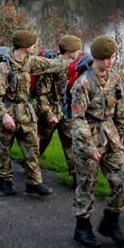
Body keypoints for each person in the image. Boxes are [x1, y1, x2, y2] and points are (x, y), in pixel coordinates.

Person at [0, 30, 69, 196]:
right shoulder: (4, 67)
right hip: (7, 112)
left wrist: (74, 62)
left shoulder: (30, 62)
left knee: (32, 148)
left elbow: (51, 65)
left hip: (25, 113)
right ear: (24, 46)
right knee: (3, 149)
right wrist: (3, 115)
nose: (35, 46)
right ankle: (4, 180)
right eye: (32, 44)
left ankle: (34, 182)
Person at [71, 36, 124, 248]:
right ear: (96, 58)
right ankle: (82, 227)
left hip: (111, 136)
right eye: (106, 58)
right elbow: (77, 119)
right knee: (87, 184)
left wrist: (121, 132)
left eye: (113, 57)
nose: (110, 62)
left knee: (123, 180)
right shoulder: (83, 83)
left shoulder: (115, 79)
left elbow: (120, 110)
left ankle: (110, 222)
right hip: (88, 135)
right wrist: (89, 147)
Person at [34, 35, 83, 176]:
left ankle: (77, 178)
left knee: (71, 144)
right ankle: (31, 169)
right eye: (77, 51)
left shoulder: (76, 67)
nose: (79, 53)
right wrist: (48, 114)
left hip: (67, 112)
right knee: (40, 142)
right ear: (69, 51)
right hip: (51, 110)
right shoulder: (52, 67)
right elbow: (41, 93)